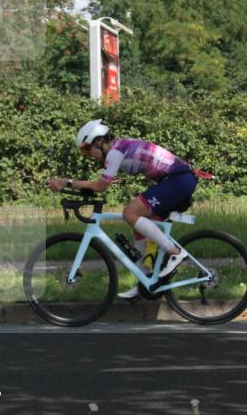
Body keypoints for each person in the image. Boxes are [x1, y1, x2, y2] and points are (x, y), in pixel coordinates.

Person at [46, 119, 201, 300]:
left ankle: (175, 253)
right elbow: (100, 184)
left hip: (177, 180)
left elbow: (101, 185)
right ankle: (146, 278)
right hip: (176, 180)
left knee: (130, 213)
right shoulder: (119, 147)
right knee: (138, 223)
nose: (88, 155)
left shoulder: (114, 152)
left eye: (87, 149)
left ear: (98, 141)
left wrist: (67, 182)